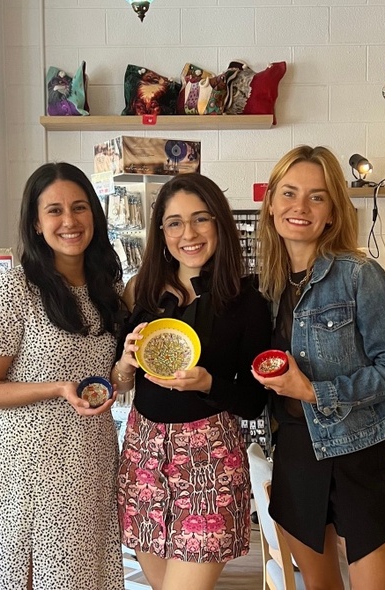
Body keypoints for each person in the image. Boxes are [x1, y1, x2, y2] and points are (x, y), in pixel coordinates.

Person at [252, 146, 385, 590]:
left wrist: (316, 392)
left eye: (317, 197)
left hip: (357, 453)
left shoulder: (359, 274)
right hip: (296, 455)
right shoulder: (265, 286)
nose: (300, 207)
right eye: (288, 193)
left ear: (332, 212)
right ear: (270, 205)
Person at [112, 173, 271, 590]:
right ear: (161, 231)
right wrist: (127, 363)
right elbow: (120, 383)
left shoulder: (246, 301)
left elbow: (254, 402)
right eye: (175, 223)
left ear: (219, 223)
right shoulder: (139, 292)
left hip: (210, 463)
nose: (189, 234)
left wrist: (208, 384)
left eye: (201, 219)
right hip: (143, 457)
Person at [0, 162, 125, 590]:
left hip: (92, 457)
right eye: (54, 210)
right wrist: (59, 388)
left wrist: (125, 369)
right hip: (33, 465)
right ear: (36, 223)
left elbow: (104, 375)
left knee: (86, 575)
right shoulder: (15, 288)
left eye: (79, 208)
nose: (70, 221)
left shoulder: (106, 289)